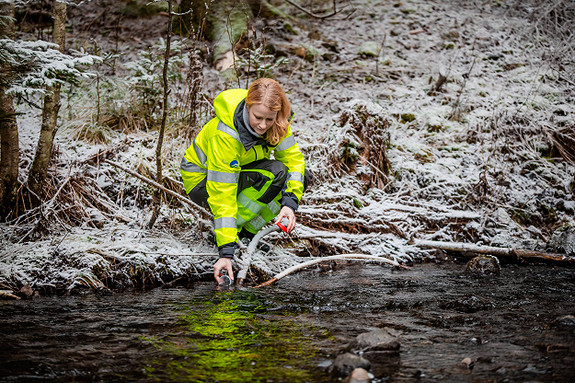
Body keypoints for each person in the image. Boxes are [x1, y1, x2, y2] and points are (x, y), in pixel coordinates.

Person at [180, 78, 310, 285]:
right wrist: (226, 252)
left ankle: (248, 234)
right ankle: (229, 235)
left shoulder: (278, 123)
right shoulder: (226, 135)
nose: (263, 125)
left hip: (241, 168)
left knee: (299, 177)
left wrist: (289, 204)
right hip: (202, 182)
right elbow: (223, 193)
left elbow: (294, 161)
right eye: (258, 117)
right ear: (248, 107)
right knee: (275, 173)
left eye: (270, 119)